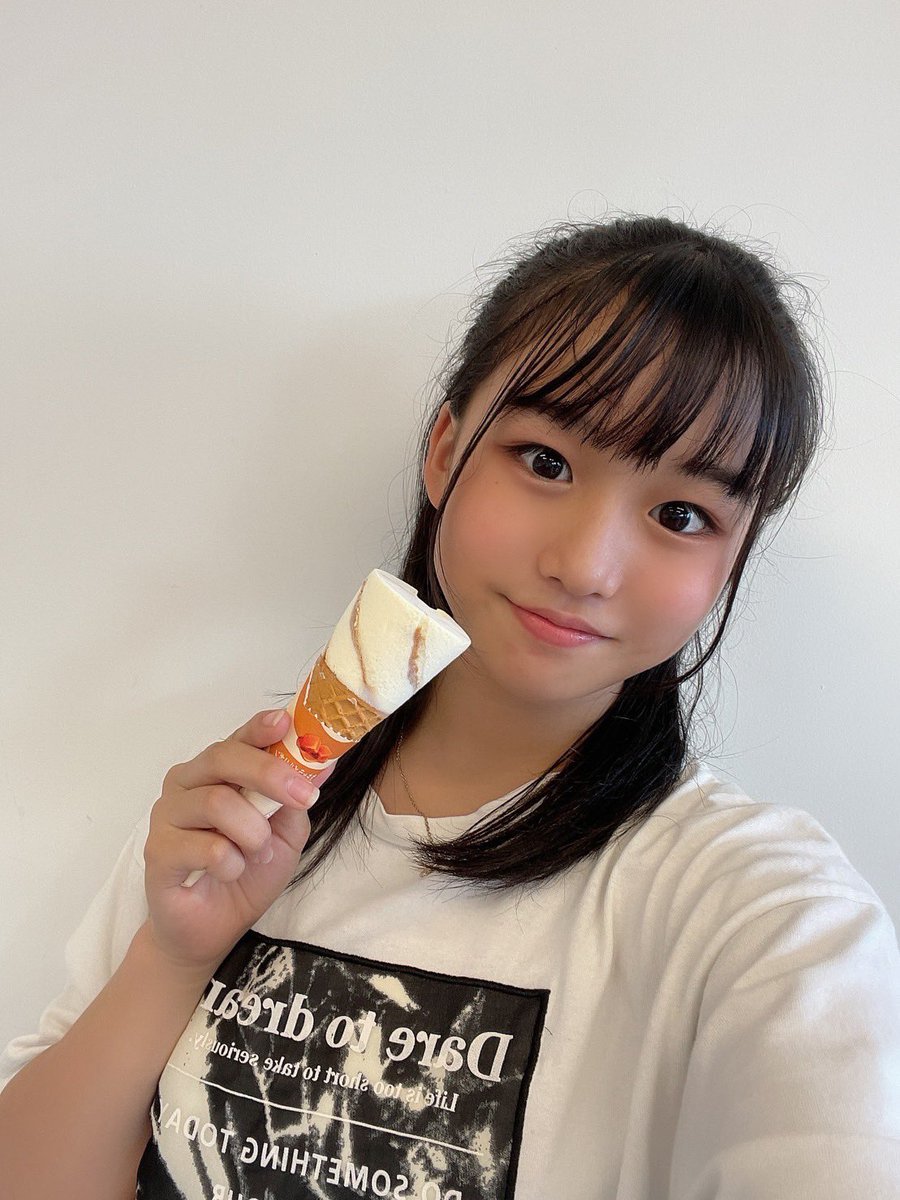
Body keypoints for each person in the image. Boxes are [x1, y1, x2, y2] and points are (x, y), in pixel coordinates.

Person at [1, 215, 898, 1200]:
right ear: (443, 452)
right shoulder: (240, 811)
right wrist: (173, 959)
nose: (584, 566)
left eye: (681, 515)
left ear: (732, 561)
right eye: (546, 461)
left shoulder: (754, 909)